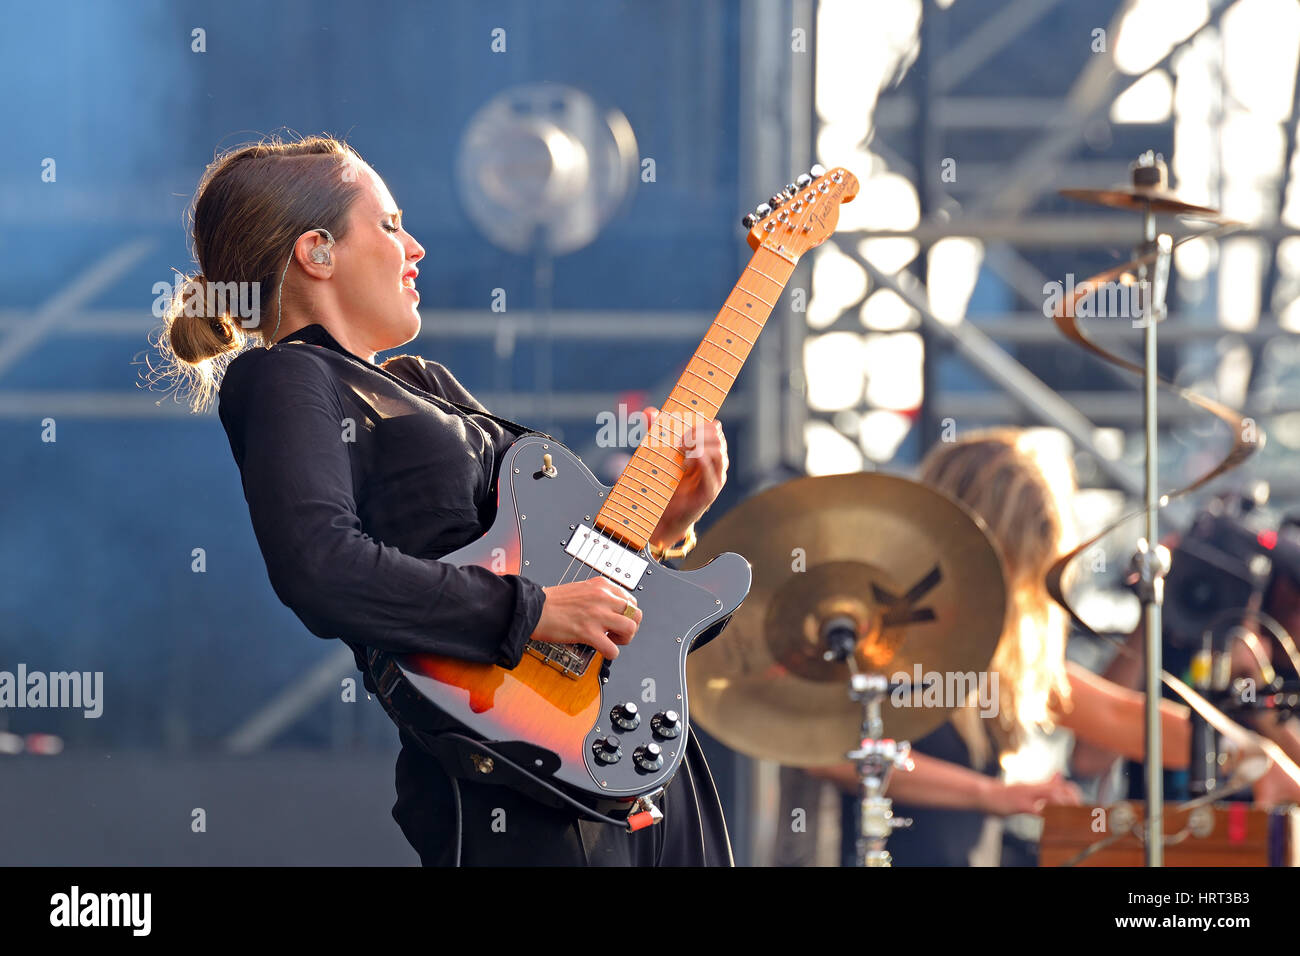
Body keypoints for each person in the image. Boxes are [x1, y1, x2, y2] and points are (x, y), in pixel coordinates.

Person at [156, 134, 733, 866]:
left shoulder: (425, 384)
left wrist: (662, 529)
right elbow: (319, 565)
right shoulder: (288, 377)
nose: (417, 247)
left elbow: (562, 577)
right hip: (513, 777)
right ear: (317, 253)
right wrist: (532, 612)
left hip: (628, 746)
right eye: (392, 225)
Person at [811, 428, 1300, 865]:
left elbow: (1119, 718)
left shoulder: (1001, 653)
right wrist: (990, 794)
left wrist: (1250, 757)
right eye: (1027, 559)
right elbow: (828, 751)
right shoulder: (877, 634)